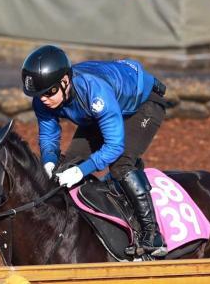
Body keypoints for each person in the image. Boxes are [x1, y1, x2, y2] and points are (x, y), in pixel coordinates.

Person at [21, 45, 168, 257]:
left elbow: (114, 146)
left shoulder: (94, 91)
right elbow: (48, 137)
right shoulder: (45, 99)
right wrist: (49, 162)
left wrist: (83, 171)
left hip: (142, 105)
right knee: (66, 165)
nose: (44, 99)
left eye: (50, 92)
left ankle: (152, 233)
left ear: (65, 82)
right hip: (99, 110)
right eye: (39, 94)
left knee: (120, 163)